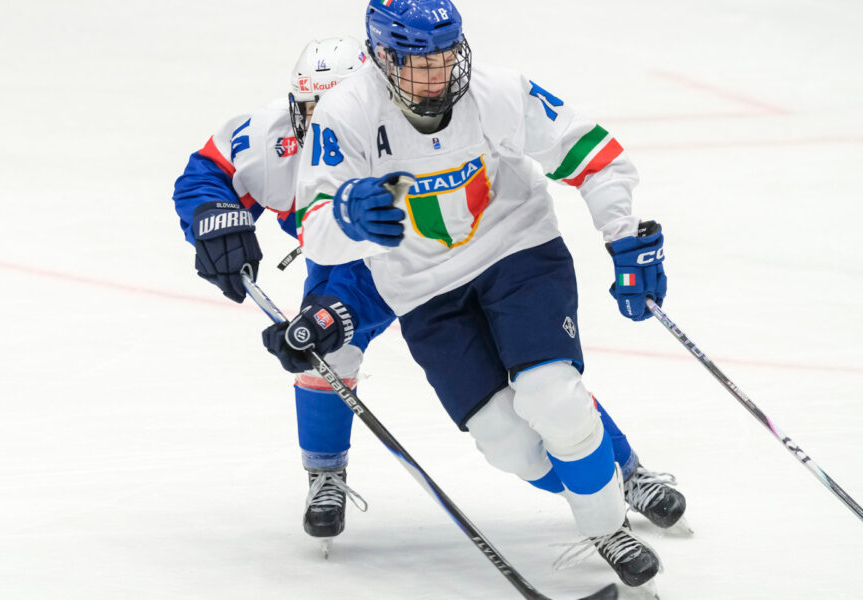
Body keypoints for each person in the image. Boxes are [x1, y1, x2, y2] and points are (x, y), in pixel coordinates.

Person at [283, 0, 671, 588]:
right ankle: (607, 483)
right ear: (383, 57)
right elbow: (316, 229)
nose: (440, 73)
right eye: (420, 61)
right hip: (423, 292)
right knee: (508, 444)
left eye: (446, 55)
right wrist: (347, 213)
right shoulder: (346, 113)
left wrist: (622, 235)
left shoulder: (496, 91)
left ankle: (605, 526)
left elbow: (593, 153)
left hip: (518, 254)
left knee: (553, 396)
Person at [171, 37, 379, 545]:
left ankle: (602, 465)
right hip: (338, 258)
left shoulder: (397, 142)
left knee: (513, 394)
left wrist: (334, 310)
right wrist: (214, 218)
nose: (323, 123)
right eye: (313, 108)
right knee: (326, 349)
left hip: (430, 262)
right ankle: (325, 473)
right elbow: (210, 171)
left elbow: (387, 262)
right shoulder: (272, 136)